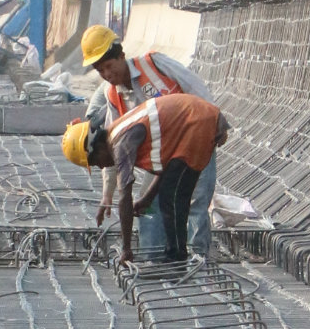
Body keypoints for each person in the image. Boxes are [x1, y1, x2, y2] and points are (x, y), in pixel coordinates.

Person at [80, 25, 220, 258]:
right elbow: (113, 147)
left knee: (195, 201)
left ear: (121, 56)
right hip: (160, 156)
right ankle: (155, 258)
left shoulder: (155, 64)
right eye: (100, 71)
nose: (107, 75)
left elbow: (197, 89)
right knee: (149, 206)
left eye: (109, 66)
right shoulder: (112, 95)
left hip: (195, 137)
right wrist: (108, 193)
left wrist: (215, 126)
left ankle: (198, 261)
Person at [61, 93, 229, 264]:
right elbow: (167, 166)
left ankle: (176, 260)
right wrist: (147, 199)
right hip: (196, 120)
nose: (102, 167)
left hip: (198, 122)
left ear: (97, 147)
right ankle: (175, 256)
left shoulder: (121, 144)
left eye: (96, 162)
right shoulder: (117, 134)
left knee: (172, 197)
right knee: (170, 193)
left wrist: (126, 250)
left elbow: (125, 196)